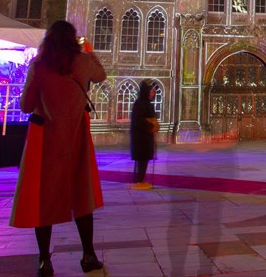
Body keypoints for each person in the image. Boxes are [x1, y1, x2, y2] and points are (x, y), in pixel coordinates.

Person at [9, 20, 107, 276]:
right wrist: (88, 50)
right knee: (81, 195)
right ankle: (88, 255)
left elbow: (26, 106)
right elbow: (101, 75)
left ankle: (44, 260)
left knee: (45, 197)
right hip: (76, 138)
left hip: (46, 141)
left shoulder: (40, 65)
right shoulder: (83, 62)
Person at [130, 80, 158, 189]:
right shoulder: (140, 103)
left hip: (146, 137)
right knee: (141, 159)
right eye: (150, 92)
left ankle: (140, 179)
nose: (152, 94)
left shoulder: (146, 103)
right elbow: (138, 120)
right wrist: (150, 126)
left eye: (153, 92)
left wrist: (153, 124)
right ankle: (139, 181)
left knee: (143, 159)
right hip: (141, 137)